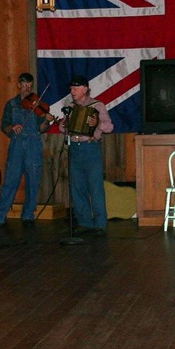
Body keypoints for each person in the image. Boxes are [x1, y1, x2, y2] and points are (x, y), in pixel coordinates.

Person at [0, 73, 54, 229]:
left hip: (33, 144)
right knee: (10, 181)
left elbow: (41, 128)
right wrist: (12, 127)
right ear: (19, 85)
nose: (27, 89)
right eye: (24, 86)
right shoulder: (11, 104)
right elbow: (4, 125)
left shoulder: (37, 104)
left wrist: (46, 120)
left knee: (33, 181)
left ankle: (28, 215)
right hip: (17, 145)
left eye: (30, 86)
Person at [65, 74, 113, 236]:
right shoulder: (70, 106)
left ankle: (100, 224)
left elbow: (109, 126)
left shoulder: (97, 105)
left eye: (75, 88)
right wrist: (64, 124)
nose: (72, 91)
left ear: (85, 89)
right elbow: (62, 129)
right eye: (71, 89)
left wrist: (97, 123)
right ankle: (84, 222)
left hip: (91, 148)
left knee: (95, 187)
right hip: (75, 149)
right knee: (78, 188)